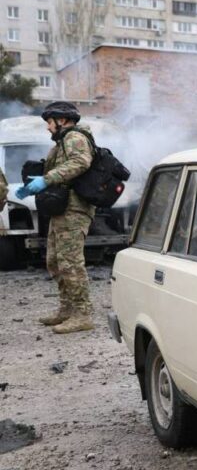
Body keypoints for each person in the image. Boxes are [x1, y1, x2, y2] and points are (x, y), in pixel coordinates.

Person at [16, 101, 96, 333]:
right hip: (62, 209)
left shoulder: (75, 138)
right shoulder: (62, 142)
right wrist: (35, 181)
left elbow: (81, 162)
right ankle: (67, 309)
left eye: (49, 122)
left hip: (74, 209)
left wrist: (47, 179)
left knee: (70, 262)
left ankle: (82, 314)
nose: (48, 127)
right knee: (54, 261)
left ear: (61, 120)